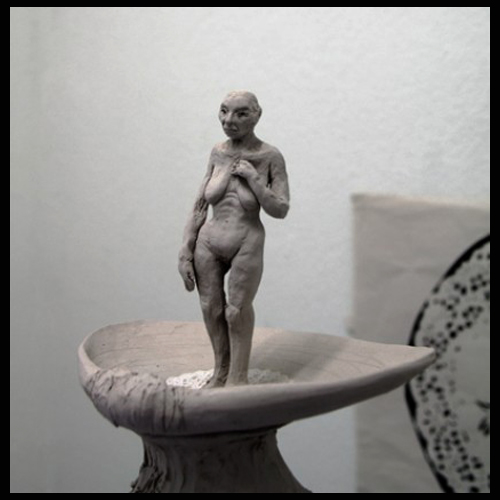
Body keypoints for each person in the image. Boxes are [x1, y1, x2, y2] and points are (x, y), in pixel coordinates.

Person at [178, 91, 290, 387]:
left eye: (241, 113)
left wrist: (254, 179)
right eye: (224, 111)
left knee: (236, 311)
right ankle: (221, 371)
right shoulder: (217, 152)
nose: (229, 120)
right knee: (210, 308)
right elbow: (200, 205)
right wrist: (185, 250)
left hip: (246, 240)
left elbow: (281, 208)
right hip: (208, 241)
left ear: (257, 115)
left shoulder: (270, 156)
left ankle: (238, 377)